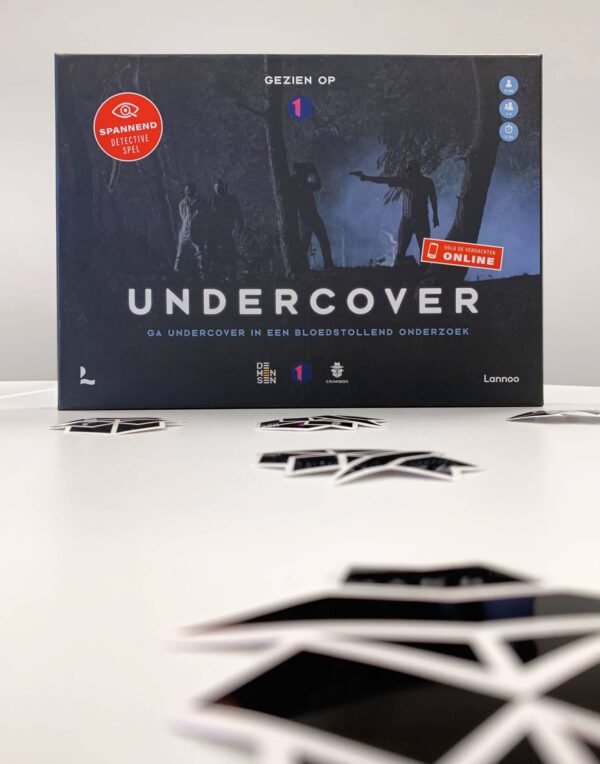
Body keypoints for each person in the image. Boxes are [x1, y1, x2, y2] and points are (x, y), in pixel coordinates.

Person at [353, 160, 439, 266]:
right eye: (407, 170)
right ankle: (397, 271)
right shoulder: (405, 181)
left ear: (415, 170)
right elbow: (384, 180)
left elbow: (433, 199)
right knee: (401, 249)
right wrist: (367, 178)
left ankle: (425, 273)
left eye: (409, 169)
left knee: (424, 251)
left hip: (421, 220)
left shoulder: (427, 182)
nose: (406, 172)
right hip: (407, 220)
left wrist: (435, 216)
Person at [291, 162, 334, 270]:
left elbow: (317, 186)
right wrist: (313, 170)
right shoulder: (296, 183)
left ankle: (327, 264)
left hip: (310, 216)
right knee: (308, 245)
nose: (306, 174)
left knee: (319, 242)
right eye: (305, 172)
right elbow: (317, 186)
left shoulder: (302, 182)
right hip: (306, 218)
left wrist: (313, 170)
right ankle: (304, 266)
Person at [207, 179, 243, 279]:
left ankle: (233, 277)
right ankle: (218, 278)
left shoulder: (232, 200)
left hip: (228, 232)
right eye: (217, 188)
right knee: (215, 258)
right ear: (214, 189)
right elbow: (207, 217)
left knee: (230, 256)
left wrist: (239, 229)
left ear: (225, 187)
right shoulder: (211, 201)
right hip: (215, 234)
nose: (220, 190)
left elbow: (238, 215)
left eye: (221, 187)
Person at [174, 182, 203, 273]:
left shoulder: (200, 202)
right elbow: (185, 218)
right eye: (186, 190)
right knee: (179, 256)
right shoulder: (182, 203)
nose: (188, 192)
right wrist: (193, 214)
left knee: (201, 255)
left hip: (197, 233)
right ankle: (176, 273)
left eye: (190, 190)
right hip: (185, 233)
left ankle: (203, 273)